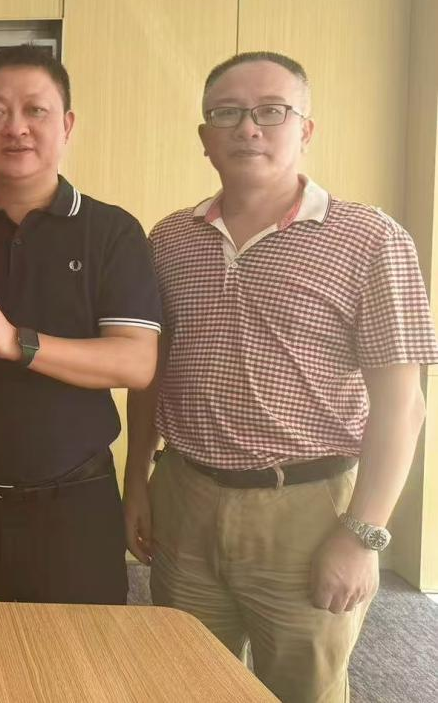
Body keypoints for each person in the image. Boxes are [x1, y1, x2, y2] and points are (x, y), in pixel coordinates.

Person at [125, 51, 437, 703]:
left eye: (271, 111)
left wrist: (362, 535)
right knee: (184, 681)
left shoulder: (370, 239)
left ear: (305, 129)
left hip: (307, 510)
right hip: (184, 497)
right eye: (227, 114)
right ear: (205, 137)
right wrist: (137, 483)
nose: (248, 128)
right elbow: (150, 373)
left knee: (303, 688)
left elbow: (402, 406)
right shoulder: (170, 240)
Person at [0, 44, 161, 604]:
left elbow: (135, 362)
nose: (15, 128)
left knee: (76, 657)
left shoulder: (112, 233)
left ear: (66, 125)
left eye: (35, 110)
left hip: (75, 508)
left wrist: (17, 341)